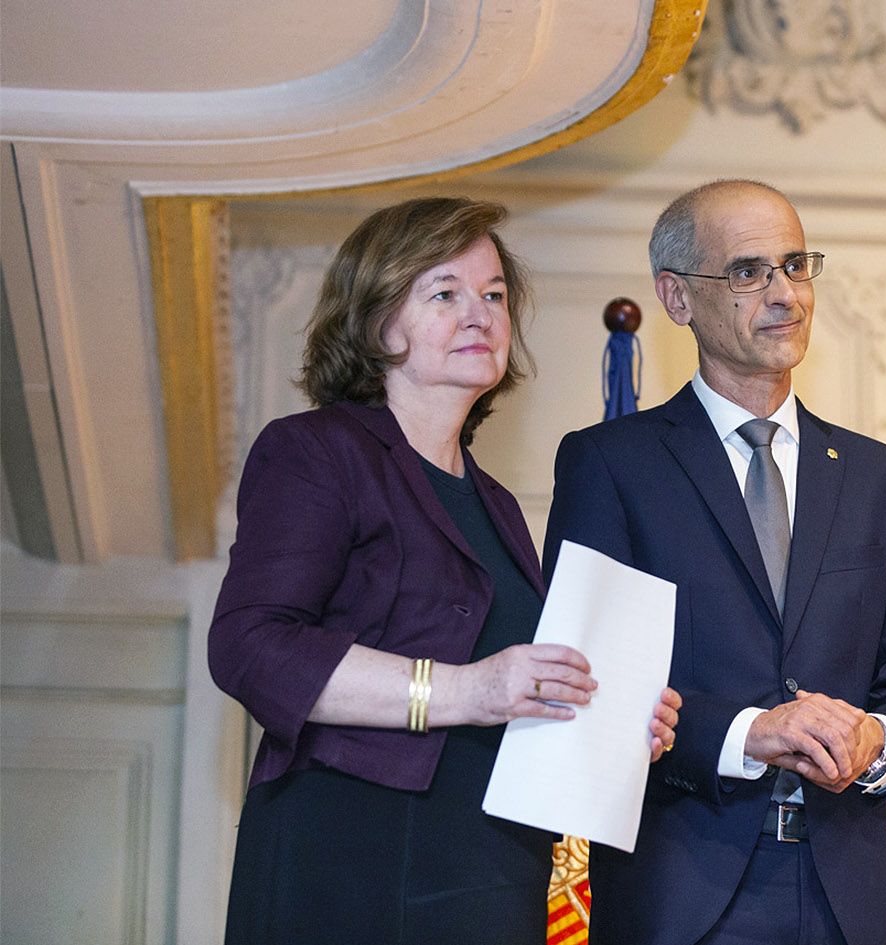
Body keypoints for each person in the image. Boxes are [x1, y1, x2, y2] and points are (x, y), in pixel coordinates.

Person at [208, 196, 681, 945]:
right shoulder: (318, 450)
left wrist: (611, 716)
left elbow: (509, 690)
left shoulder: (492, 500)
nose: (481, 314)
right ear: (374, 320)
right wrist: (462, 690)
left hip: (491, 871)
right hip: (354, 862)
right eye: (444, 293)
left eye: (494, 295)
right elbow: (250, 645)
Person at [542, 179, 886, 945]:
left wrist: (876, 742)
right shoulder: (612, 466)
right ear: (676, 297)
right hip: (682, 894)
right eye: (748, 271)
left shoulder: (884, 478)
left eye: (797, 265)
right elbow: (589, 687)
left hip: (851, 901)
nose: (786, 295)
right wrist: (747, 733)